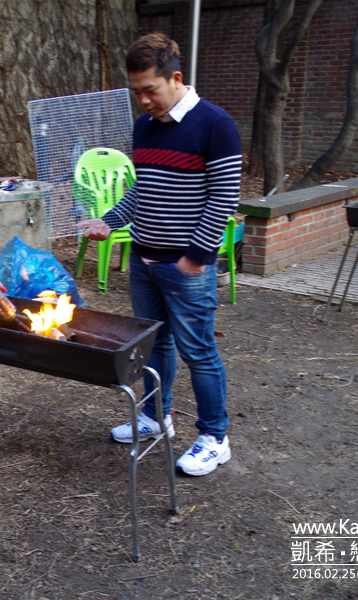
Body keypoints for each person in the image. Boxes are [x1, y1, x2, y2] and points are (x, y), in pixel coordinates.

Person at [78, 33, 242, 476]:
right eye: (136, 91)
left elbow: (224, 196)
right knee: (154, 345)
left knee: (198, 351)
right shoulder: (145, 126)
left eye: (150, 89)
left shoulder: (215, 124)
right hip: (143, 259)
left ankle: (214, 436)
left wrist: (195, 258)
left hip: (184, 265)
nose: (144, 100)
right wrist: (108, 221)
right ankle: (156, 417)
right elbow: (142, 191)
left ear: (176, 78)